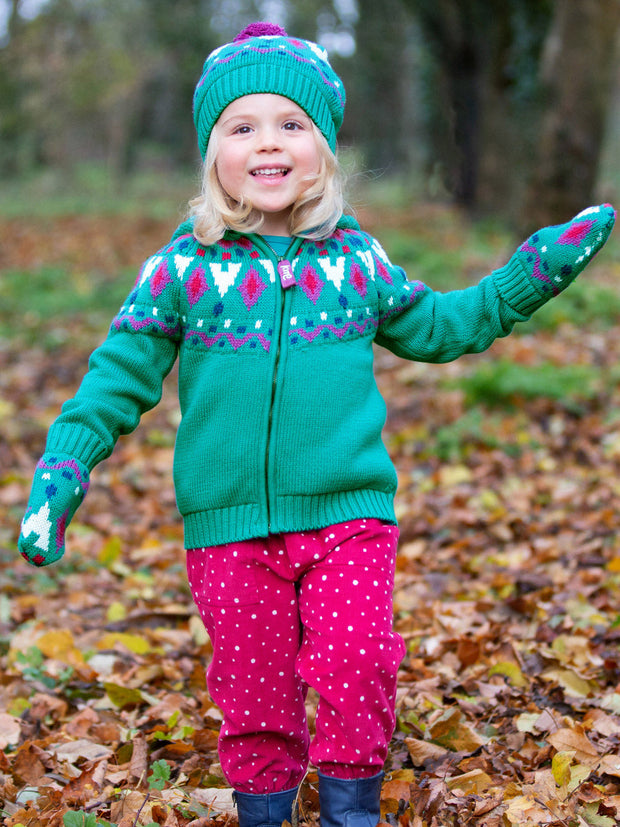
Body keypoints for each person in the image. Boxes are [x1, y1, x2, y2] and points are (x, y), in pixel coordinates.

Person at [17, 20, 615, 827]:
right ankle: (267, 812)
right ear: (213, 151)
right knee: (256, 693)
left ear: (324, 147)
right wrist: (64, 469)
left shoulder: (356, 262)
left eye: (292, 124)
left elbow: (441, 327)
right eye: (243, 126)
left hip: (347, 515)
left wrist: (524, 278)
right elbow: (114, 379)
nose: (269, 143)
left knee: (356, 662)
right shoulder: (181, 270)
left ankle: (349, 811)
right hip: (228, 527)